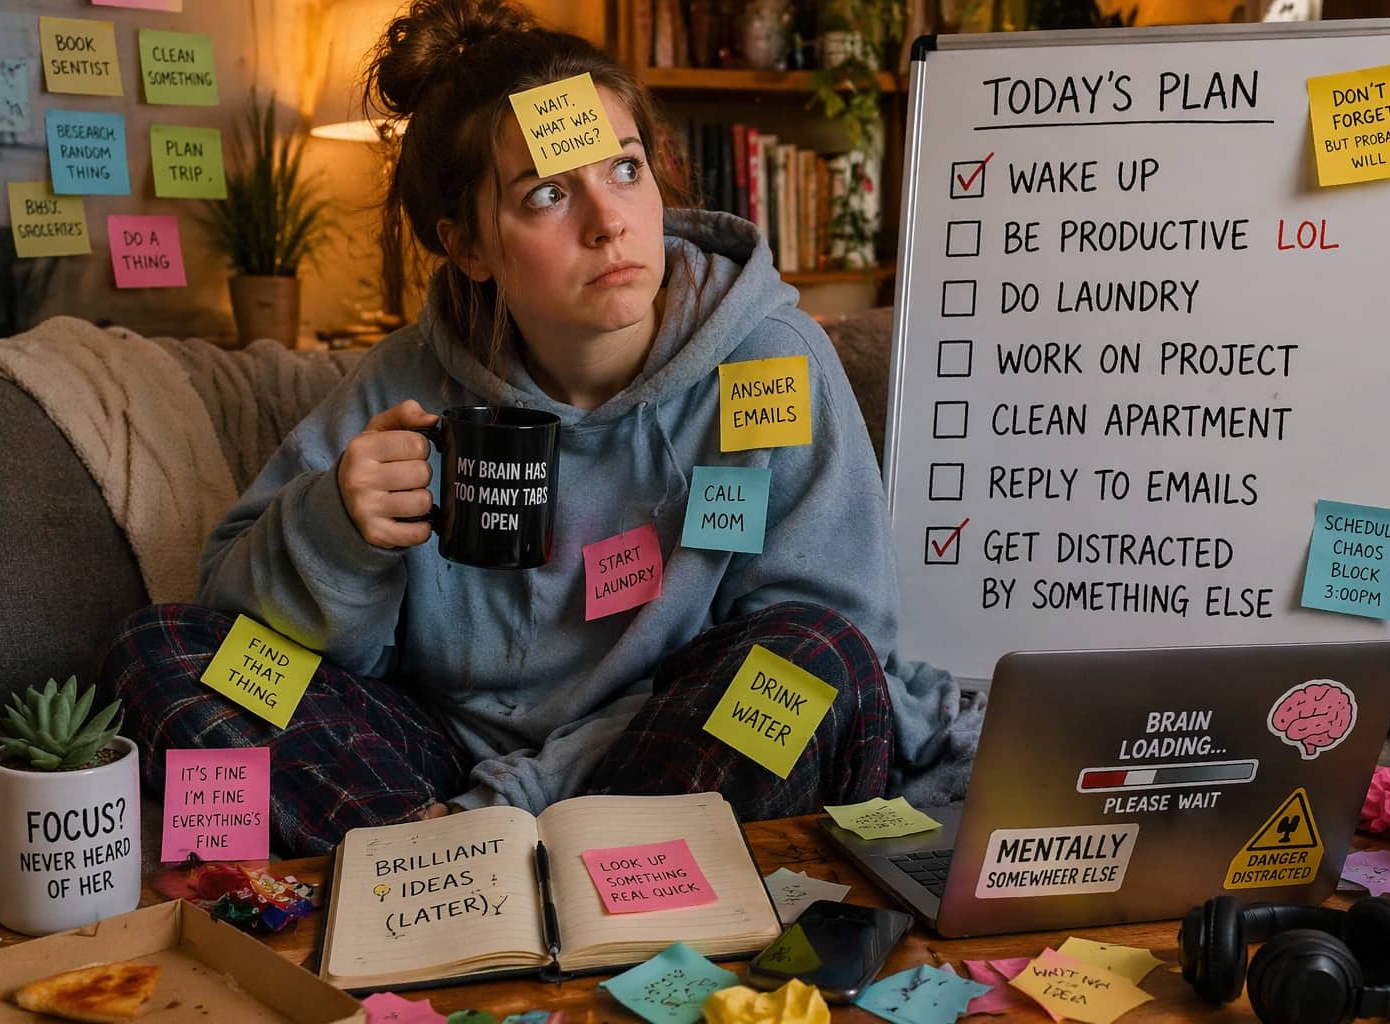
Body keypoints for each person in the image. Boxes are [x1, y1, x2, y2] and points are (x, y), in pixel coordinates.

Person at [98, 0, 962, 856]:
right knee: (163, 648)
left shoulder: (772, 361)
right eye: (548, 192)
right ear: (468, 246)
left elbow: (828, 629)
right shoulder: (408, 381)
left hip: (665, 750)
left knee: (810, 662)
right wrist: (334, 529)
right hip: (435, 759)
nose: (609, 221)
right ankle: (496, 878)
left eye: (625, 169)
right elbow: (235, 617)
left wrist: (530, 798)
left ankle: (467, 871)